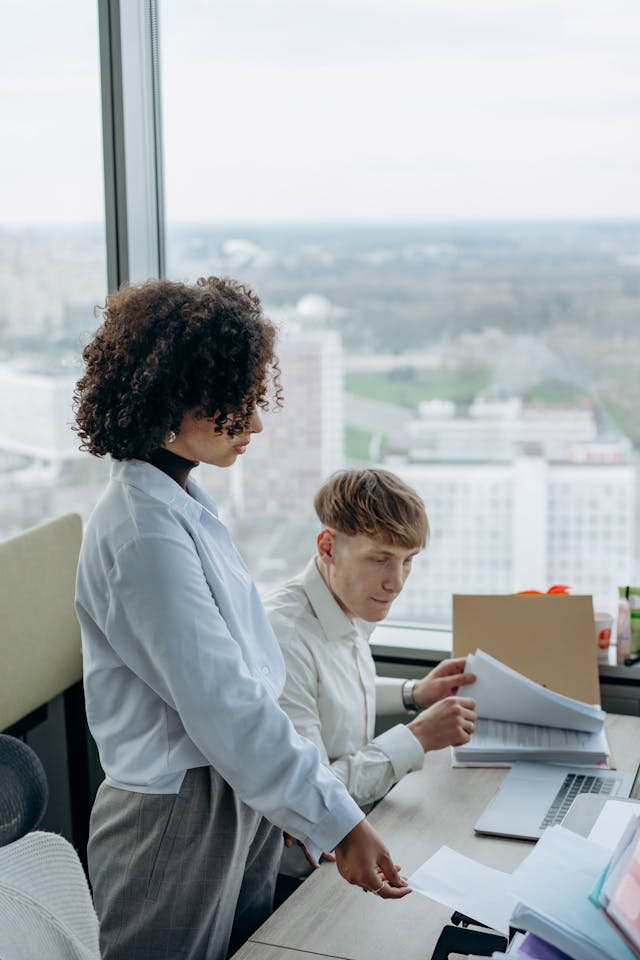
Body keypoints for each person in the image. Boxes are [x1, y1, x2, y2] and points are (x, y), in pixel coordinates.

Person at [73, 278, 409, 960]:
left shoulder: (180, 503)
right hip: (174, 816)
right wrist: (337, 823)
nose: (255, 424)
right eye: (237, 404)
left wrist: (294, 800)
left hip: (230, 789)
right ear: (173, 401)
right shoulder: (143, 534)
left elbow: (250, 685)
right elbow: (224, 703)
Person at [265, 468, 477, 882]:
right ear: (327, 546)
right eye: (380, 559)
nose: (396, 582)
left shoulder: (344, 603)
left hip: (351, 838)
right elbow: (315, 793)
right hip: (299, 876)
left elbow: (328, 695)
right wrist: (416, 738)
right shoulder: (285, 638)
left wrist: (414, 693)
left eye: (407, 562)